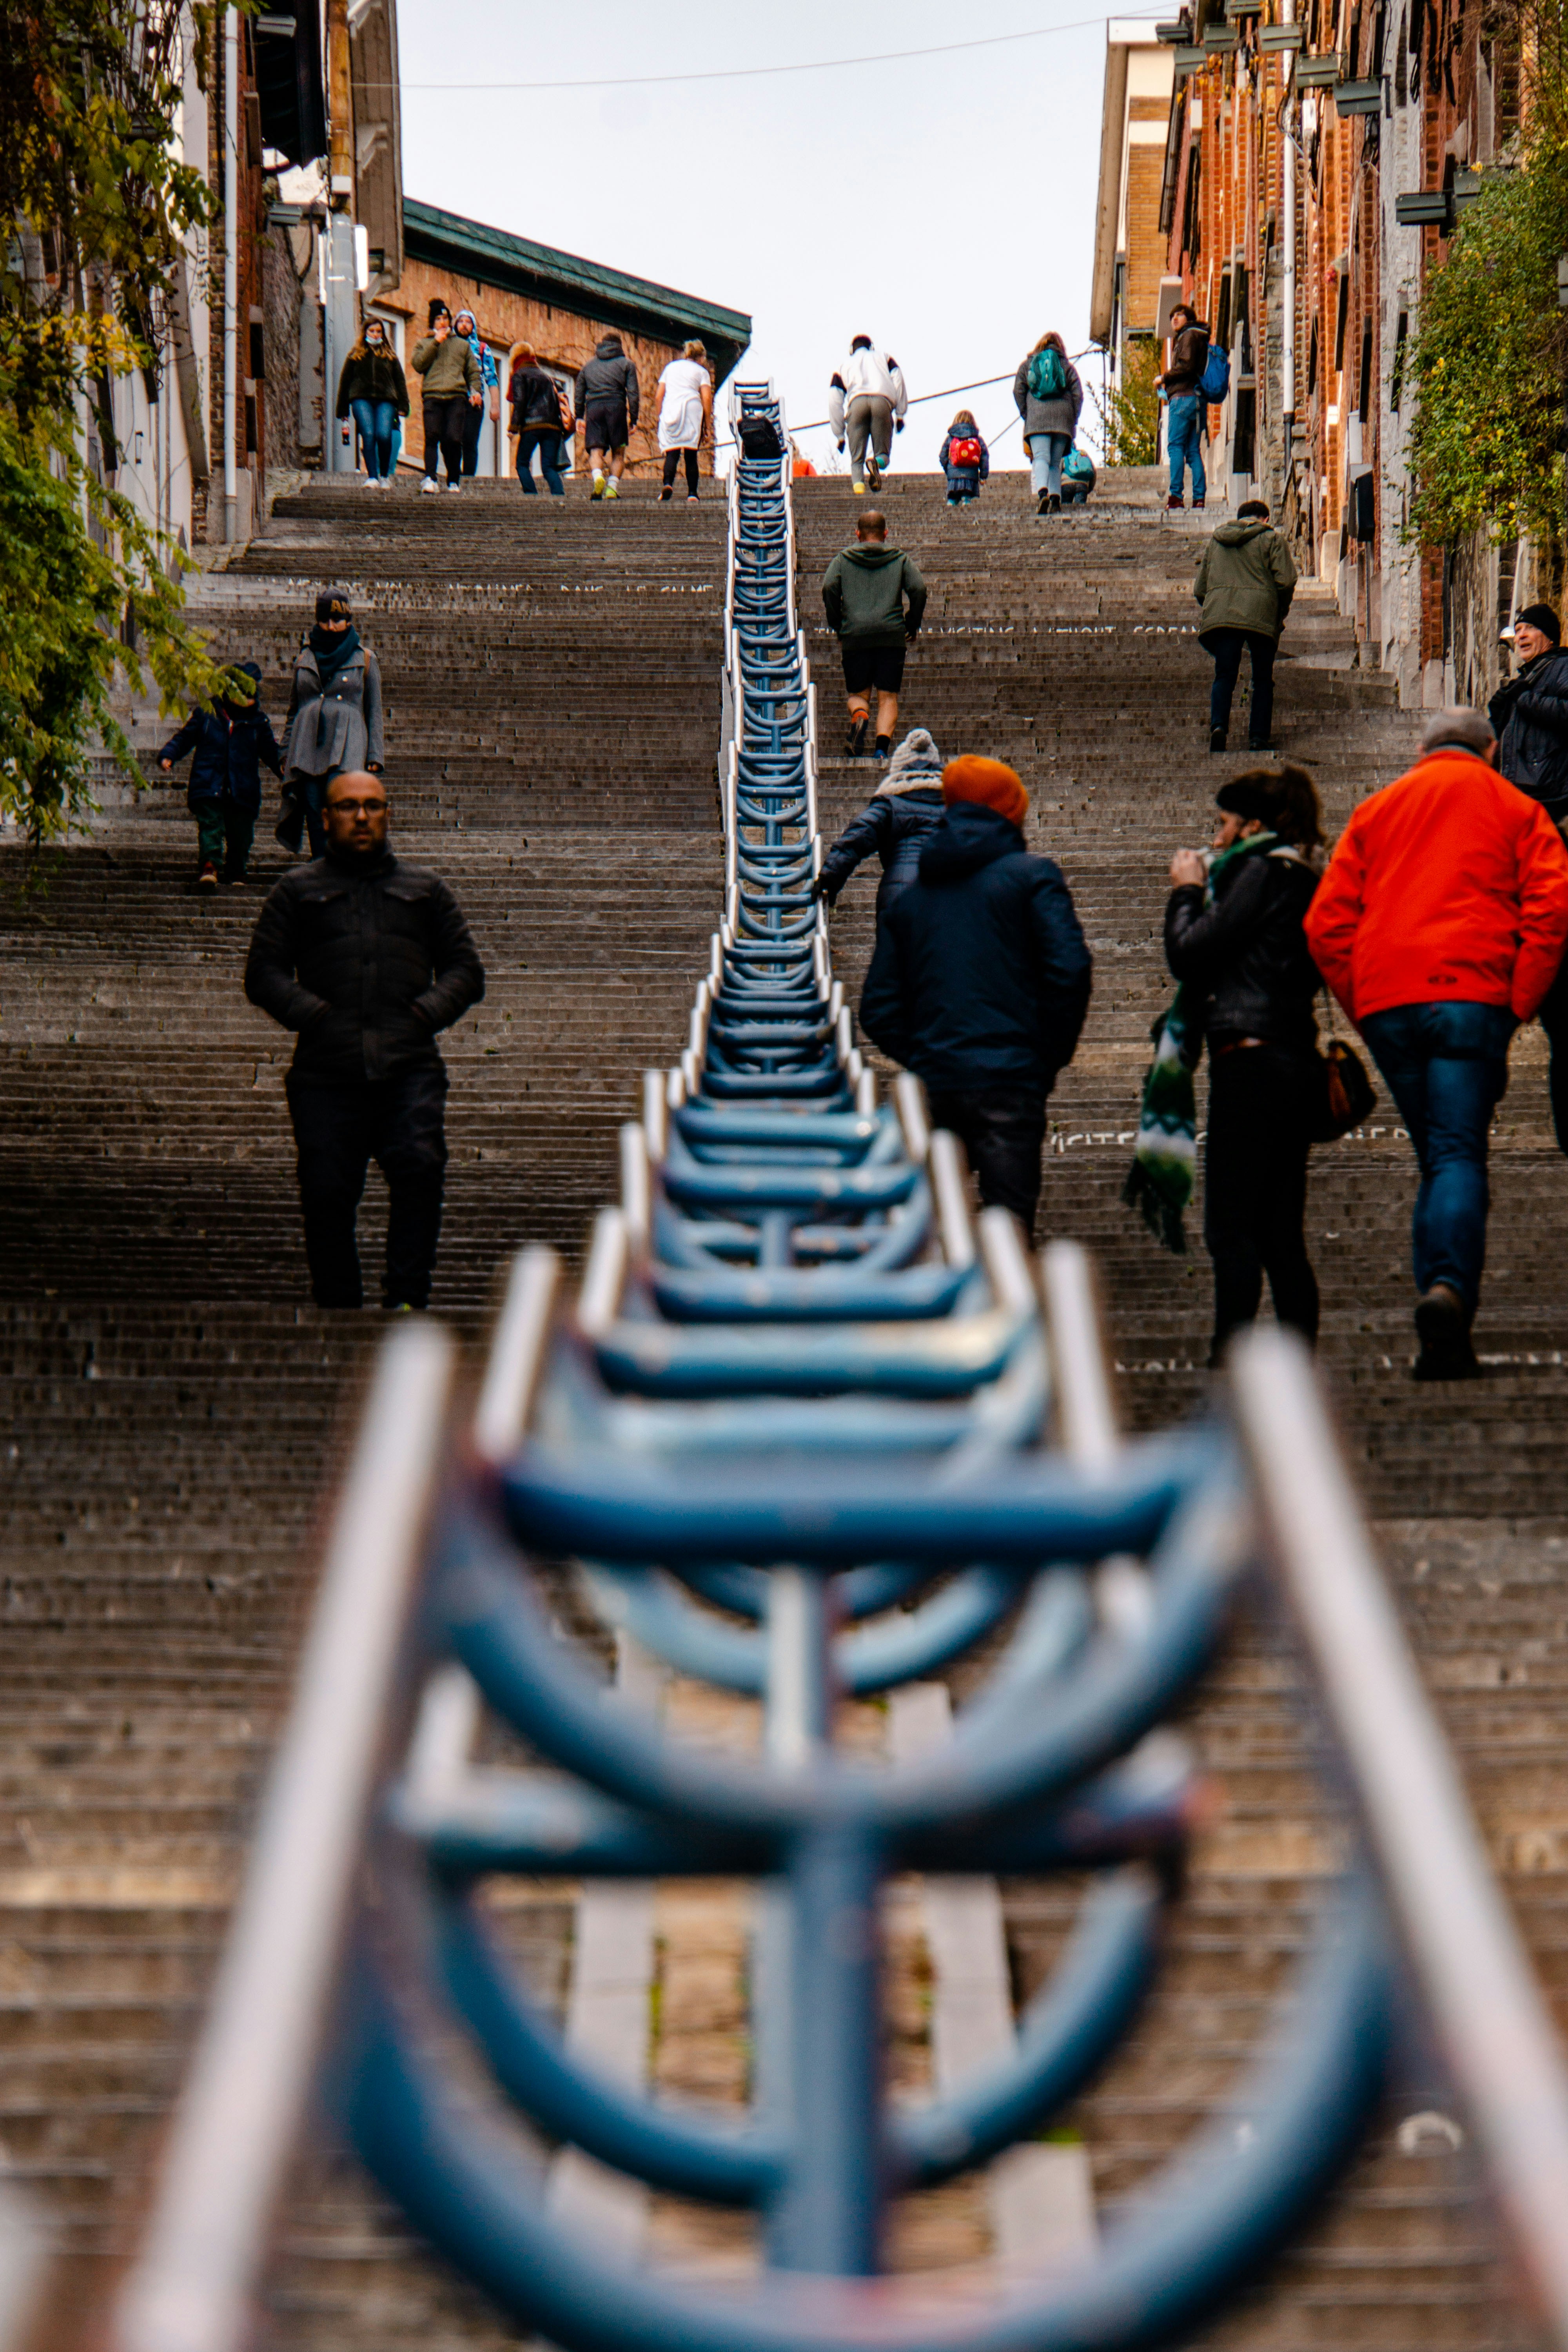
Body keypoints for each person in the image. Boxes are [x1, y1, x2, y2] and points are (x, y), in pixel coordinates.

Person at [1305, 708, 1568, 1379]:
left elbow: (1326, 925)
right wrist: (1521, 1002)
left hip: (1393, 1002)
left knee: (1437, 1156)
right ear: (1492, 747)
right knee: (1456, 1155)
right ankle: (1448, 1293)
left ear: (1423, 750)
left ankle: (1440, 1310)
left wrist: (1365, 1008)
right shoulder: (1518, 808)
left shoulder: (1376, 811)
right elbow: (1549, 908)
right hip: (1472, 998)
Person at [244, 770, 485, 1313]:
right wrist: (313, 1015)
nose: (361, 816)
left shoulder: (425, 891)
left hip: (409, 1068)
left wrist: (424, 1014)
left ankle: (406, 1301)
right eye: (348, 807)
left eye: (372, 806)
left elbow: (466, 971)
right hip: (326, 1074)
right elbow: (263, 972)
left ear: (387, 814)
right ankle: (339, 1309)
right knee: (327, 1192)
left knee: (420, 1169)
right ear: (325, 818)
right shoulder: (297, 892)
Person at [860, 757, 1092, 1232]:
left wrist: (929, 1056)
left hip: (938, 1085)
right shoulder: (1033, 878)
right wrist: (1042, 1059)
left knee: (938, 1229)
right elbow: (1070, 970)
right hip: (1011, 1082)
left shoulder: (912, 900)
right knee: (1009, 1232)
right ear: (1011, 812)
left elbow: (878, 1009)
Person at [1162, 766, 1326, 1366]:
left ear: (1252, 824)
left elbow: (1191, 951)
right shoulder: (1303, 874)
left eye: (1224, 823)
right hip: (1290, 1057)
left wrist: (1185, 890)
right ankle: (1295, 1369)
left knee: (1232, 1227)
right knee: (1281, 1232)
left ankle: (1230, 1364)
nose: (1217, 835)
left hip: (1252, 1062)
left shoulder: (1259, 871)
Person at [1491, 604, 1568, 1150]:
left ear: (1549, 635)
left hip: (1549, 796)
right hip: (1524, 798)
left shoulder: (1559, 670)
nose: (1519, 636)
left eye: (1527, 629)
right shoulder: (1528, 680)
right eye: (1515, 631)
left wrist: (1526, 700)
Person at [276, 587, 385, 859]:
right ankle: (321, 865)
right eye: (324, 620)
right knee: (313, 805)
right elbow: (294, 709)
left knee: (340, 800)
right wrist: (285, 750)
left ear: (348, 620)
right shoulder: (305, 656)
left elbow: (374, 711)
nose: (330, 626)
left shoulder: (365, 658)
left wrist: (374, 754)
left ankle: (344, 862)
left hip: (347, 741)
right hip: (306, 742)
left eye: (337, 620)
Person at [158, 661, 283, 889]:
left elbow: (271, 751)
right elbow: (185, 738)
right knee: (211, 825)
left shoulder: (258, 723)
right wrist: (169, 754)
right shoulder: (207, 713)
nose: (242, 701)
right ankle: (210, 865)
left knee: (241, 834)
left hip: (242, 787)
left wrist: (283, 768)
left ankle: (237, 870)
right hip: (209, 781)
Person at [821, 508, 927, 761]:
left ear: (858, 534)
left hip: (855, 635)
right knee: (888, 696)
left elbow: (829, 587)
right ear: (886, 533)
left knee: (858, 695)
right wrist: (911, 624)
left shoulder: (843, 560)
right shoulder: (900, 559)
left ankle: (860, 716)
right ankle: (881, 752)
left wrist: (839, 624)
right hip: (891, 635)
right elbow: (919, 589)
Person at [1195, 500, 1297, 754]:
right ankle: (1258, 738)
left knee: (1224, 675)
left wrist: (1217, 605)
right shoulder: (1272, 539)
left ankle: (1219, 726)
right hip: (1261, 613)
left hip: (1223, 614)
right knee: (1262, 679)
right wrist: (1278, 611)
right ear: (1263, 519)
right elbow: (1286, 581)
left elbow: (1200, 589)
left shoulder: (1217, 542)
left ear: (1240, 518)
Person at [813, 728, 946, 917]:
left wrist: (829, 879)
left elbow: (856, 839)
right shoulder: (956, 808)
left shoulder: (890, 806)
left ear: (898, 771)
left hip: (898, 894)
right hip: (947, 896)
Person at [410, 300, 483, 494]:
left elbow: (473, 373)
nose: (442, 323)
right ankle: (430, 478)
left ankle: (453, 479)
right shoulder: (424, 343)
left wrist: (476, 392)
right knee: (432, 436)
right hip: (433, 395)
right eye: (438, 319)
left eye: (445, 319)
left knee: (453, 438)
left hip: (456, 397)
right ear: (432, 323)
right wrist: (435, 342)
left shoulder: (462, 345)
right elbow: (418, 365)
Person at [1011, 332, 1083, 517]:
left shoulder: (1028, 365)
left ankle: (1043, 493)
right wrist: (1073, 419)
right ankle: (1056, 500)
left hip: (1037, 418)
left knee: (1041, 457)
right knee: (1055, 462)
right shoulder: (1066, 365)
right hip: (1062, 419)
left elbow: (1018, 390)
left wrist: (1027, 413)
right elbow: (1078, 393)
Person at [827, 337, 908, 495]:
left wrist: (840, 435)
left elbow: (834, 400)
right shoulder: (885, 358)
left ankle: (859, 494)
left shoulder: (843, 366)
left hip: (856, 405)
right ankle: (876, 462)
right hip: (882, 403)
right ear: (872, 347)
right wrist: (900, 414)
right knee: (884, 455)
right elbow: (898, 379)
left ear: (852, 350)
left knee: (856, 460)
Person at [334, 318, 408, 487]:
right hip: (361, 399)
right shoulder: (355, 355)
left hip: (386, 400)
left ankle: (384, 476)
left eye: (379, 332)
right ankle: (373, 477)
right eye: (372, 331)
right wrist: (343, 410)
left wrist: (404, 405)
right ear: (365, 333)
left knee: (384, 435)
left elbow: (400, 381)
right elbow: (345, 382)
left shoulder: (390, 356)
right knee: (368, 434)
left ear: (383, 334)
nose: (375, 335)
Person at [574, 332, 640, 501]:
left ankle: (598, 477)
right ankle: (612, 487)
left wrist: (580, 416)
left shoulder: (588, 367)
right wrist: (634, 419)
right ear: (620, 347)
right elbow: (633, 393)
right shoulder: (627, 365)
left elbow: (579, 393)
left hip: (594, 410)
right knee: (618, 453)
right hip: (617, 409)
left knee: (596, 451)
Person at [1160, 302, 1212, 512]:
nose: (1175, 319)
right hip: (1197, 399)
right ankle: (1199, 498)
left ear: (1188, 319)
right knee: (1193, 451)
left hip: (1182, 399)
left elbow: (1186, 366)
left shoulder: (1188, 336)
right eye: (1173, 316)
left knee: (1176, 448)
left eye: (1179, 315)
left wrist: (1164, 377)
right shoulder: (1198, 337)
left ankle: (1176, 497)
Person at [656, 340, 712, 503]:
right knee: (691, 454)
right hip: (692, 408)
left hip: (672, 408)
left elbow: (659, 395)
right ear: (702, 357)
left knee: (672, 452)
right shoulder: (702, 372)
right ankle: (693, 493)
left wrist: (660, 416)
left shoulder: (670, 368)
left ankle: (668, 484)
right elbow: (707, 398)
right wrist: (707, 425)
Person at [508, 348, 570, 496]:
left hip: (532, 426)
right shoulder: (547, 377)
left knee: (522, 463)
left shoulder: (519, 375)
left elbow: (520, 402)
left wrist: (514, 427)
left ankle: (531, 494)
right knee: (549, 467)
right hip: (553, 427)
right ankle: (559, 495)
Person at [451, 307, 500, 479]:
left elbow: (491, 377)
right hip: (452, 399)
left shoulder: (482, 348)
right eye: (461, 321)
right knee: (452, 439)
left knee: (470, 440)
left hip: (474, 400)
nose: (464, 325)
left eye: (468, 322)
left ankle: (469, 478)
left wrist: (495, 405)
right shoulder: (447, 345)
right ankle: (454, 475)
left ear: (473, 326)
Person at [938, 412, 989, 508]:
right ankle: (966, 504)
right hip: (971, 477)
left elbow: (942, 456)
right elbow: (984, 457)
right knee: (967, 497)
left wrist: (949, 470)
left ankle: (950, 506)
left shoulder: (951, 438)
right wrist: (983, 475)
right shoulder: (977, 438)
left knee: (953, 498)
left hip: (954, 476)